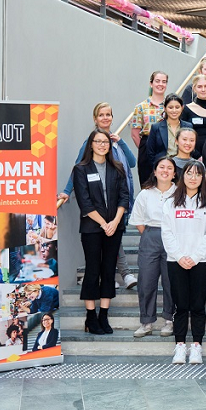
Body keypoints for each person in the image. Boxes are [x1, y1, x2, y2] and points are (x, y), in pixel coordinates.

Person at [59, 102, 137, 289]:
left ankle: (109, 275)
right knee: (109, 237)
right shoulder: (91, 142)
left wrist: (121, 141)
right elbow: (79, 167)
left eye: (108, 114)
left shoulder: (115, 142)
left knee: (114, 238)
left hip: (121, 200)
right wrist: (67, 191)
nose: (105, 118)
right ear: (95, 119)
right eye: (101, 115)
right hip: (101, 204)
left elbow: (132, 163)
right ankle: (122, 274)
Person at [73, 128, 130, 335]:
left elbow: (125, 197)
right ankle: (90, 317)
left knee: (108, 270)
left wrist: (114, 221)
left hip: (115, 226)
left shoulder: (118, 168)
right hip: (92, 228)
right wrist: (104, 223)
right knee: (93, 270)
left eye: (105, 142)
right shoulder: (81, 169)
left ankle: (103, 316)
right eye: (98, 141)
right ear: (91, 144)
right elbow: (85, 203)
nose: (102, 145)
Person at [161, 159, 206, 365]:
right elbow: (167, 233)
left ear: (203, 178)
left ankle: (196, 346)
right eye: (189, 173)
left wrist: (194, 258)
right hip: (175, 261)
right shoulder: (170, 202)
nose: (193, 178)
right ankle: (179, 346)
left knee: (198, 305)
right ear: (182, 176)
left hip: (201, 262)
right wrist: (179, 256)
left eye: (197, 174)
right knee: (180, 305)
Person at [129, 156, 177, 338]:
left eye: (169, 168)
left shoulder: (180, 192)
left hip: (173, 238)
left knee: (170, 281)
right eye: (161, 167)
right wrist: (151, 235)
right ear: (155, 171)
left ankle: (169, 320)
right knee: (146, 281)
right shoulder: (145, 194)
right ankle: (146, 322)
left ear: (174, 173)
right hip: (151, 237)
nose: (165, 170)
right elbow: (139, 222)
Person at [132, 70, 168, 183]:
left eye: (164, 82)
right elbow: (135, 134)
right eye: (157, 81)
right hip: (147, 146)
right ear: (151, 83)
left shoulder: (171, 106)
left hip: (167, 147)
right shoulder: (141, 107)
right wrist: (147, 150)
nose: (160, 84)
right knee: (147, 183)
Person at [181, 74, 206, 153]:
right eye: (199, 87)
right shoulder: (186, 109)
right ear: (194, 88)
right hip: (192, 152)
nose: (203, 89)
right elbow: (183, 133)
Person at [146, 93, 191, 165]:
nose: (174, 110)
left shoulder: (188, 127)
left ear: (182, 108)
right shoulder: (156, 127)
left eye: (177, 107)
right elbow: (150, 152)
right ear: (165, 108)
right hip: (163, 166)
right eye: (170, 107)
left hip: (184, 165)